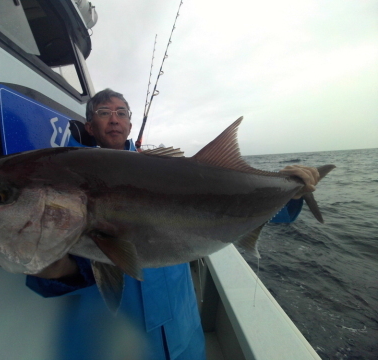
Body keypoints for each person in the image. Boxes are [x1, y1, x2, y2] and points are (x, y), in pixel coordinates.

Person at [26, 88, 320, 360]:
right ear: (90, 126)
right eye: (104, 112)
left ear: (130, 125)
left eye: (121, 113)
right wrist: (50, 271)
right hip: (119, 345)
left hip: (184, 335)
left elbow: (235, 206)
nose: (114, 119)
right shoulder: (66, 177)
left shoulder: (167, 172)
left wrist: (293, 191)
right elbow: (51, 272)